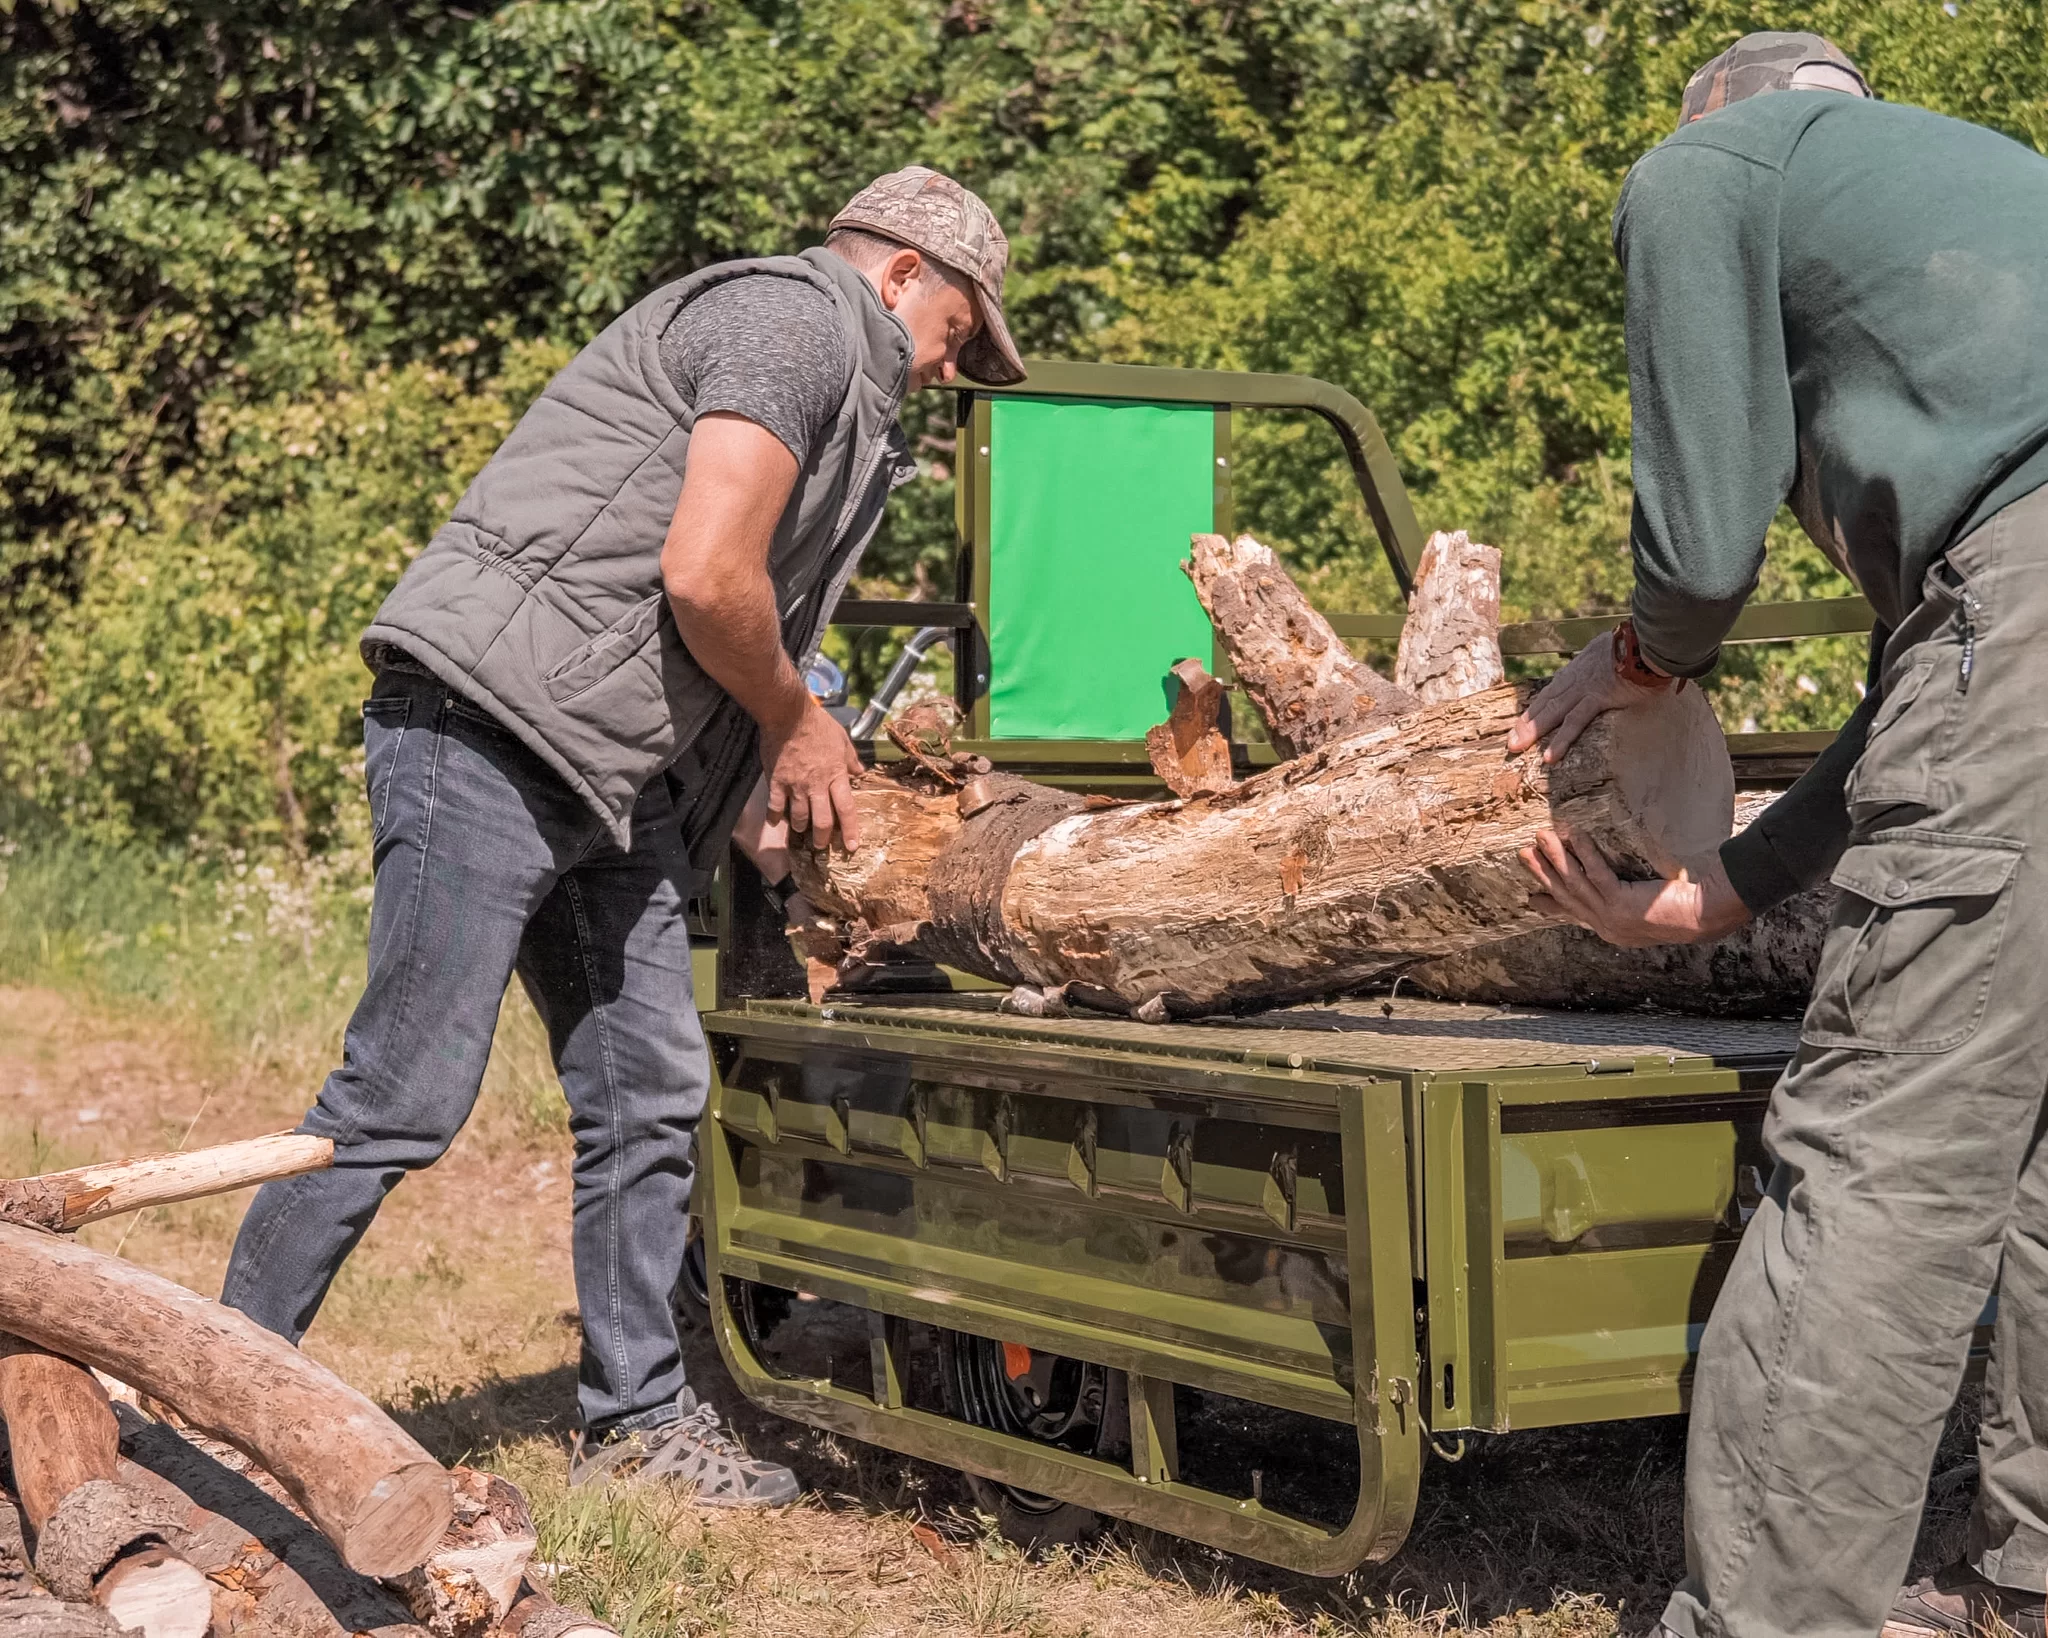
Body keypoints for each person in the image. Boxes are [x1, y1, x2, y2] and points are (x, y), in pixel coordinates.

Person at [218, 167, 1026, 1506]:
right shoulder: (797, 323)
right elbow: (706, 575)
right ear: (900, 274)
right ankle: (214, 1393)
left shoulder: (839, 372)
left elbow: (711, 641)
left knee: (649, 1087)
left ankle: (637, 1425)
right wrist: (799, 722)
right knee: (401, 1094)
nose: (951, 370)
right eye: (956, 335)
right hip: (487, 731)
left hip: (605, 771)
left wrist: (789, 832)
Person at [1504, 32, 2048, 1638]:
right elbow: (1930, 694)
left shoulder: (1715, 164)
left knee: (1888, 1145)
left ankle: (1772, 1618)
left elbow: (1700, 547)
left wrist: (1644, 657)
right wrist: (1726, 891)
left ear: (1721, 112)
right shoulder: (1989, 185)